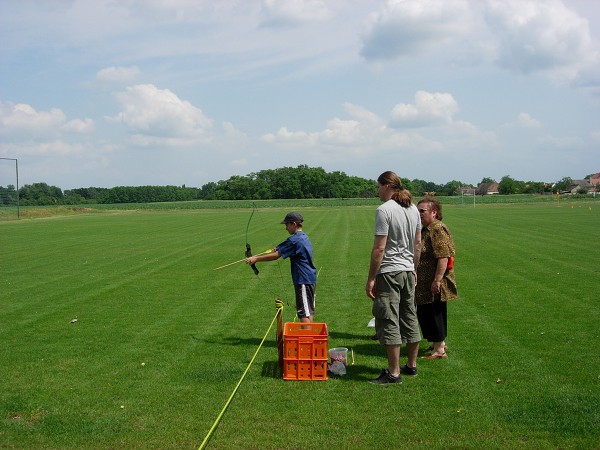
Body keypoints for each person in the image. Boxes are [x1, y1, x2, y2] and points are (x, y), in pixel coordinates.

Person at [365, 171, 422, 385]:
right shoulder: (413, 209)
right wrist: (414, 269)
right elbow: (418, 244)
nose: (377, 191)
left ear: (387, 185)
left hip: (389, 271)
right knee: (409, 316)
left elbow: (379, 248)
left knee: (388, 319)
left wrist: (371, 278)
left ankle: (394, 373)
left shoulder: (384, 210)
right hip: (408, 271)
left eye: (378, 186)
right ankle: (412, 366)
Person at [245, 212, 317, 323]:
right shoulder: (303, 237)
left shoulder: (294, 240)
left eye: (287, 225)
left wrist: (255, 259)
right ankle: (308, 337)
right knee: (308, 311)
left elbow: (276, 256)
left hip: (303, 279)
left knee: (303, 314)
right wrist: (278, 247)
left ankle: (306, 339)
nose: (286, 228)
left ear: (294, 224)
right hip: (309, 278)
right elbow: (284, 246)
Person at [415, 198, 458, 359]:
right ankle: (436, 343)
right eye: (417, 210)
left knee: (434, 312)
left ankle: (439, 349)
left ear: (434, 213)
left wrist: (437, 280)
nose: (419, 214)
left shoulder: (437, 229)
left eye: (422, 211)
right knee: (428, 312)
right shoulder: (427, 229)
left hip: (434, 281)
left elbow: (444, 257)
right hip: (425, 282)